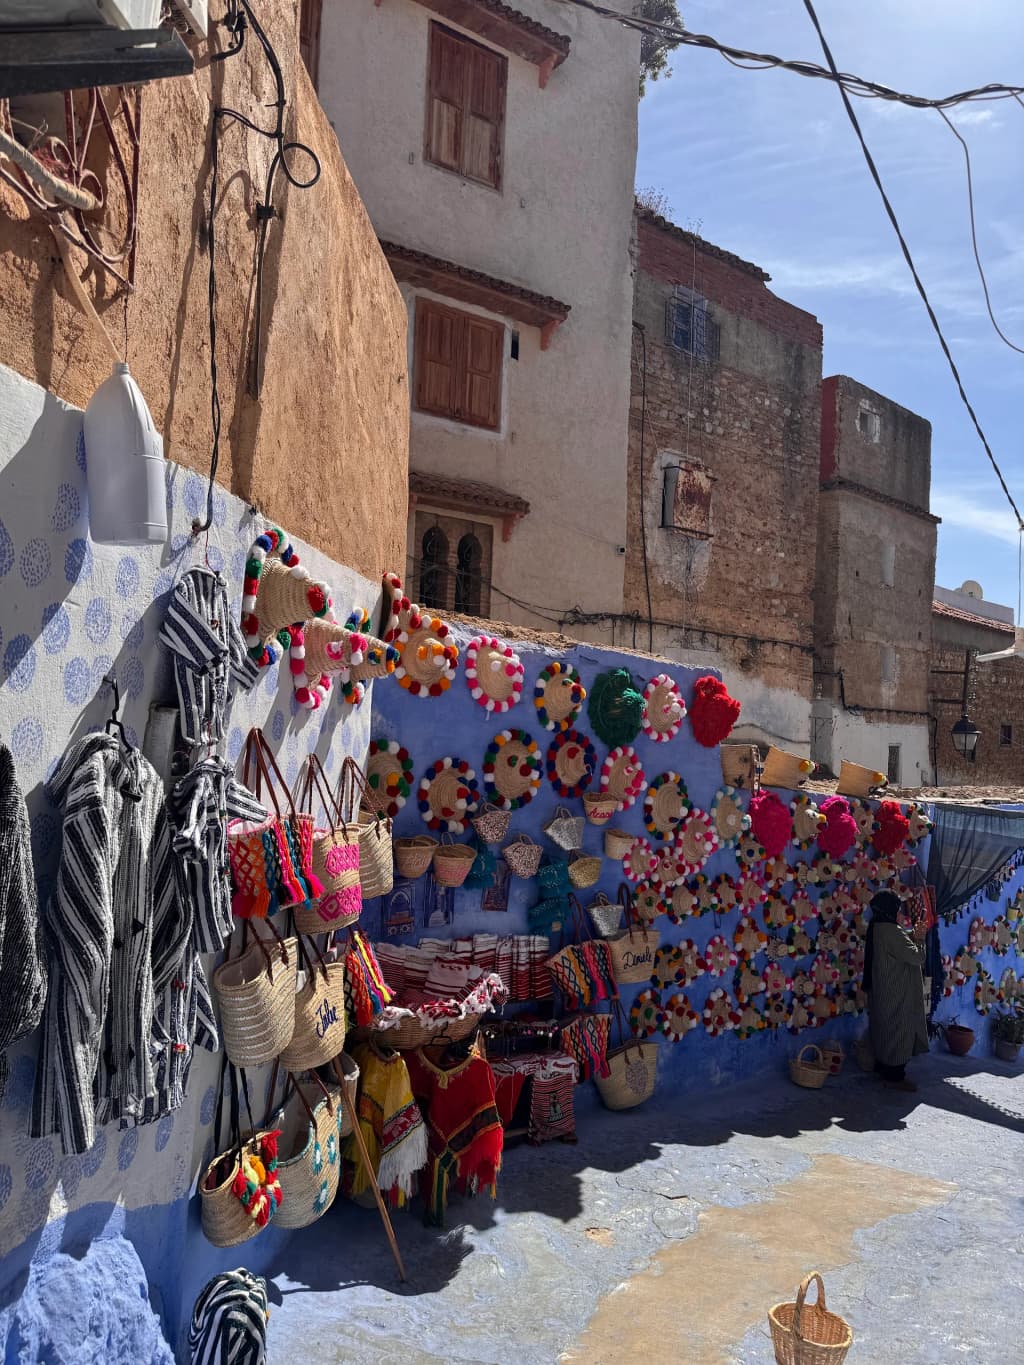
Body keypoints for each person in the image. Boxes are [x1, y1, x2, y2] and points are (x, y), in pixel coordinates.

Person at [864, 890, 928, 1092]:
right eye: (899, 910)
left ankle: (884, 1069)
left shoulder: (878, 928)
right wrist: (919, 938)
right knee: (898, 1034)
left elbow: (897, 946)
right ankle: (894, 1078)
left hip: (884, 992)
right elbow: (916, 957)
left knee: (885, 1031)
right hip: (897, 994)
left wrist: (912, 935)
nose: (901, 914)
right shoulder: (891, 931)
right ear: (891, 910)